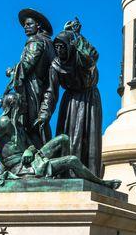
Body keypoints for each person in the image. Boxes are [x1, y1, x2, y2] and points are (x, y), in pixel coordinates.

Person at [0, 92, 119, 190]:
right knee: (72, 160)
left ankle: (63, 178)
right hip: (21, 169)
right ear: (14, 105)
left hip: (31, 160)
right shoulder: (2, 123)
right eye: (22, 103)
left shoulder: (18, 125)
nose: (25, 107)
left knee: (64, 139)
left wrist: (29, 150)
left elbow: (32, 147)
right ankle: (101, 183)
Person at [38, 18, 104, 177]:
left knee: (89, 140)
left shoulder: (81, 58)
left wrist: (75, 35)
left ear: (69, 46)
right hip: (70, 103)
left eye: (62, 46)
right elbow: (51, 91)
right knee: (69, 139)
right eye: (57, 47)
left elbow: (92, 58)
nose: (59, 50)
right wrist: (45, 112)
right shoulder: (55, 64)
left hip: (89, 100)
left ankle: (89, 176)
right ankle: (66, 175)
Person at [6, 8, 55, 149]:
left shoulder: (35, 41)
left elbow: (27, 64)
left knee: (28, 123)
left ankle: (37, 154)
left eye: (29, 24)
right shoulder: (48, 43)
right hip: (43, 88)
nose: (26, 27)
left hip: (32, 88)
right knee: (38, 125)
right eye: (25, 25)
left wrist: (12, 71)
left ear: (38, 25)